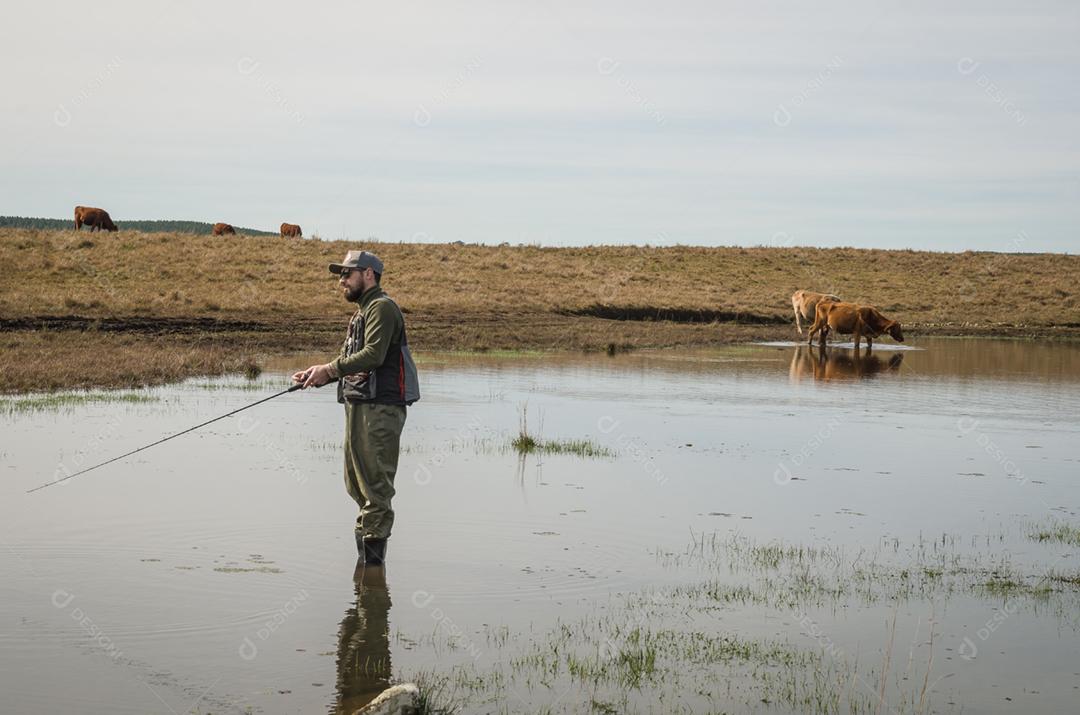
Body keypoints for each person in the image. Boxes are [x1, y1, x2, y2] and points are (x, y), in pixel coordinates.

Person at [292, 250, 419, 564]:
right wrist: (318, 375)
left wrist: (329, 369)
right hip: (361, 405)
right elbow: (352, 362)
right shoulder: (364, 311)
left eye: (347, 274)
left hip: (379, 409)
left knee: (375, 489)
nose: (341, 281)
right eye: (340, 275)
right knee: (357, 484)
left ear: (369, 275)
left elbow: (374, 354)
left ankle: (372, 581)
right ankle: (366, 580)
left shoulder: (382, 308)